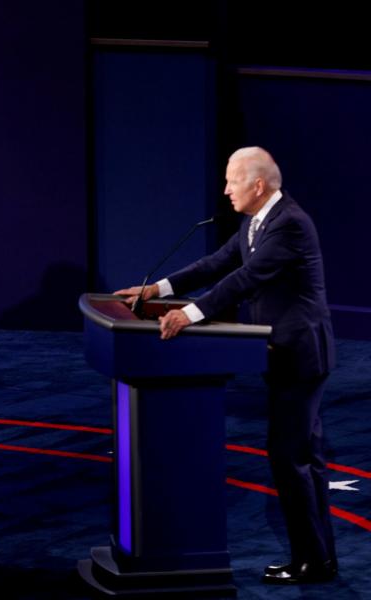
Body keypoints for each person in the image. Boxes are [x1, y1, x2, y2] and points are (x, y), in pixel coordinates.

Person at [115, 146, 336, 585]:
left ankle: (312, 562)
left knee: (290, 458)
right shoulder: (258, 219)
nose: (225, 189)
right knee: (302, 458)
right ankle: (318, 558)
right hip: (283, 353)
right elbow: (218, 263)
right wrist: (157, 290)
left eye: (232, 180)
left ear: (257, 185)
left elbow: (245, 279)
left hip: (301, 354)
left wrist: (189, 314)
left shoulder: (288, 224)